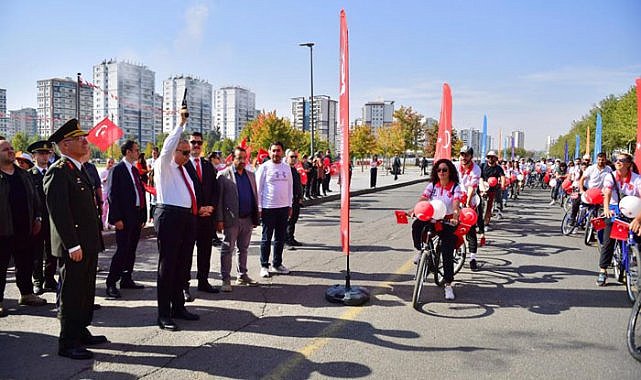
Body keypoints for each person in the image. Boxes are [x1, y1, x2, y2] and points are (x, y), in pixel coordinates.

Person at [44, 119, 107, 359]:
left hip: (87, 243)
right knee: (71, 293)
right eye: (79, 138)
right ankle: (67, 342)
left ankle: (80, 331)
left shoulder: (79, 169)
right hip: (75, 246)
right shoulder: (58, 171)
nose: (85, 141)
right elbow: (60, 213)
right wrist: (72, 244)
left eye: (84, 137)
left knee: (85, 291)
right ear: (65, 145)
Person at [152, 108, 200, 331]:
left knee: (182, 265)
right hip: (169, 216)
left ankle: (178, 307)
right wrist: (181, 124)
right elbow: (168, 146)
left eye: (189, 153)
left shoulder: (183, 169)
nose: (187, 156)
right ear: (174, 151)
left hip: (185, 218)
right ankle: (164, 314)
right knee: (167, 266)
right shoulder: (164, 165)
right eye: (184, 152)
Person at [1, 139, 47, 318]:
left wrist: (37, 217)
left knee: (26, 263)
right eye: (6, 149)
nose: (11, 152)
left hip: (25, 228)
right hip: (3, 230)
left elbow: (35, 198)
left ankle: (26, 294)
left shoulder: (23, 174)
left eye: (12, 149)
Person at [410, 158, 463, 300]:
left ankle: (448, 285)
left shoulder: (455, 187)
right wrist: (415, 209)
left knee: (447, 253)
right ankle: (420, 250)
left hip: (448, 221)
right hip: (432, 218)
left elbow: (456, 204)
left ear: (450, 171)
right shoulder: (433, 185)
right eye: (439, 170)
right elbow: (423, 198)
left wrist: (456, 216)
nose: (441, 172)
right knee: (417, 225)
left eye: (444, 170)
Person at [105, 140, 147, 299]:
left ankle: (126, 277)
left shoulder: (134, 170)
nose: (138, 153)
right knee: (122, 250)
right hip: (124, 217)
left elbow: (140, 191)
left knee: (131, 249)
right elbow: (112, 195)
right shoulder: (118, 169)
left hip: (136, 215)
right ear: (128, 152)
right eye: (136, 150)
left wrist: (143, 214)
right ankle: (111, 282)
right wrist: (116, 218)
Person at [216, 147, 260, 292]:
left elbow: (254, 196)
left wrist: (255, 216)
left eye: (244, 158)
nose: (242, 161)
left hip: (247, 219)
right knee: (227, 249)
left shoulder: (251, 175)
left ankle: (242, 275)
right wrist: (220, 220)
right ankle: (226, 279)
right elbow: (219, 200)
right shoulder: (223, 176)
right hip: (231, 220)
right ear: (232, 158)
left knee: (244, 249)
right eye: (238, 158)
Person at [183, 132, 219, 298]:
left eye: (199, 143)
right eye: (193, 142)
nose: (196, 145)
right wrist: (196, 208)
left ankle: (203, 281)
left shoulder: (207, 165)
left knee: (205, 250)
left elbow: (215, 189)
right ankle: (184, 286)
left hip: (206, 217)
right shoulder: (182, 165)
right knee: (186, 253)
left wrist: (210, 207)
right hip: (189, 217)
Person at [596, 152, 641, 286]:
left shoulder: (637, 179)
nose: (617, 162)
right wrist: (606, 209)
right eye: (616, 160)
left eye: (621, 160)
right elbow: (607, 194)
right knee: (609, 239)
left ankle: (635, 260)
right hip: (614, 209)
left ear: (628, 164)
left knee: (638, 235)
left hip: (634, 211)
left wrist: (638, 220)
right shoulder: (610, 176)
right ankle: (603, 270)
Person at [256, 141, 293, 278]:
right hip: (268, 208)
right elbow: (258, 189)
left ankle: (277, 264)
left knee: (280, 238)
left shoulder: (286, 168)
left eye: (278, 151)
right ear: (269, 151)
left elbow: (290, 187)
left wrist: (290, 205)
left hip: (283, 208)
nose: (276, 153)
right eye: (273, 151)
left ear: (282, 152)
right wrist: (259, 207)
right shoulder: (264, 167)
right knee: (266, 238)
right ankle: (264, 265)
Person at [27, 140, 57, 295]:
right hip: (38, 219)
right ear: (34, 156)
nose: (45, 156)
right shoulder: (29, 175)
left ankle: (50, 278)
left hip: (53, 219)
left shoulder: (53, 173)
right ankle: (37, 280)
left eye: (47, 153)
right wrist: (35, 218)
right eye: (41, 154)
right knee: (37, 252)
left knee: (53, 251)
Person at [456, 146, 481, 270]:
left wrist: (466, 202)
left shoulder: (476, 169)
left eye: (466, 155)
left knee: (470, 231)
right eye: (462, 154)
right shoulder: (455, 166)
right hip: (456, 199)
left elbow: (471, 187)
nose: (463, 157)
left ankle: (473, 258)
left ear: (471, 156)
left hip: (469, 200)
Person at [479, 150, 505, 230]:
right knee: (479, 206)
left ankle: (486, 223)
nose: (490, 159)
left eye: (492, 157)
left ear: (495, 159)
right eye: (489, 157)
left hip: (492, 189)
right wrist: (482, 187)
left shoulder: (498, 168)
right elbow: (479, 177)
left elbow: (502, 177)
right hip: (482, 187)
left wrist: (503, 186)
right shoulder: (482, 166)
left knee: (489, 206)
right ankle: (478, 221)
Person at [285, 150, 304, 248]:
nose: (293, 159)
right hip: (289, 199)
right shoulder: (286, 170)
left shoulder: (295, 170)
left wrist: (300, 197)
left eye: (295, 157)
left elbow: (298, 185)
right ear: (287, 158)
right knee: (289, 220)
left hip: (296, 199)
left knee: (294, 219)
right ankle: (287, 239)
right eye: (291, 157)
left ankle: (291, 237)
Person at [100, 158, 116, 229]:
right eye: (109, 162)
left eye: (112, 163)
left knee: (112, 208)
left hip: (111, 192)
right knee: (104, 208)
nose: (110, 164)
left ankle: (110, 223)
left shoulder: (113, 172)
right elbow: (100, 181)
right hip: (104, 192)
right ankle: (102, 223)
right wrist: (104, 179)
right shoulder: (103, 172)